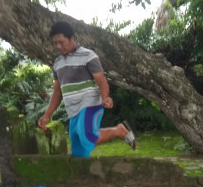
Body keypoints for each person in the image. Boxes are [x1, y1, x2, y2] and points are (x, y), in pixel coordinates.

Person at [37, 21, 136, 157]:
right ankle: (84, 176)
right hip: (73, 112)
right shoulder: (57, 63)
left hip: (90, 104)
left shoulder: (88, 56)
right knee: (78, 153)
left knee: (88, 137)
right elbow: (57, 92)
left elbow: (101, 81)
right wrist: (47, 115)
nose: (58, 46)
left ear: (72, 38)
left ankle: (118, 131)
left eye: (61, 42)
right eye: (55, 43)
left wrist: (105, 97)